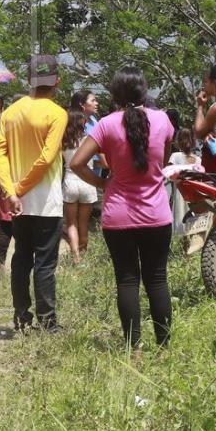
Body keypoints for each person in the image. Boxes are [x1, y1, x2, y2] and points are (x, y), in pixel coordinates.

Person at [70, 66, 175, 348]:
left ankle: (134, 349)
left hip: (118, 217)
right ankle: (164, 348)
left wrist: (104, 184)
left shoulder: (106, 124)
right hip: (156, 214)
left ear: (116, 93)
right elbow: (162, 160)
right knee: (157, 280)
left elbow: (76, 163)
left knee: (127, 281)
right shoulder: (162, 120)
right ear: (144, 89)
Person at [0, 54, 67, 333]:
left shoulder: (11, 112)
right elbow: (47, 158)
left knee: (21, 257)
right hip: (45, 201)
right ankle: (48, 323)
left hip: (17, 204)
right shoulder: (57, 113)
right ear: (57, 81)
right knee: (45, 264)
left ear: (29, 80)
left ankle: (22, 317)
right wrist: (20, 190)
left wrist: (11, 192)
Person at [60, 107, 97, 264]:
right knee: (84, 223)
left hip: (70, 181)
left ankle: (76, 256)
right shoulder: (89, 139)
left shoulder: (64, 141)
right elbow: (102, 160)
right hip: (87, 181)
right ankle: (84, 252)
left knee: (71, 223)